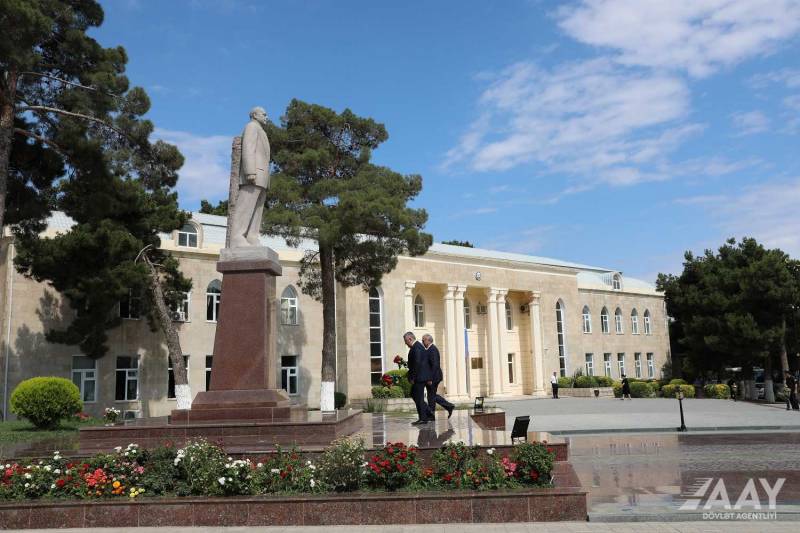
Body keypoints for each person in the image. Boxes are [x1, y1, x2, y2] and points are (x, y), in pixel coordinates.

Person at [230, 106, 270, 248]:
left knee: (257, 209)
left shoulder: (261, 130)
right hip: (253, 174)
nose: (266, 117)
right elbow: (248, 148)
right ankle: (237, 237)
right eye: (263, 114)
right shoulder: (251, 127)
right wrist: (249, 171)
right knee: (245, 206)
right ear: (254, 115)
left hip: (262, 176)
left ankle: (252, 236)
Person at [421, 334, 455, 419]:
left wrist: (430, 378)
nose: (422, 342)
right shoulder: (429, 349)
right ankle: (446, 407)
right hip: (432, 376)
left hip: (434, 377)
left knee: (431, 396)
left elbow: (435, 365)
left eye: (423, 340)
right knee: (431, 396)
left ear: (428, 340)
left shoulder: (433, 349)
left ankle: (447, 407)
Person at [403, 332, 432, 425]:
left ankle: (423, 418)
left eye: (406, 341)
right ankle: (427, 412)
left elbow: (417, 364)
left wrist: (412, 377)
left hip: (419, 377)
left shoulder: (417, 347)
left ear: (410, 339)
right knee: (414, 394)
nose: (405, 343)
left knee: (418, 397)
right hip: (420, 376)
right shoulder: (417, 346)